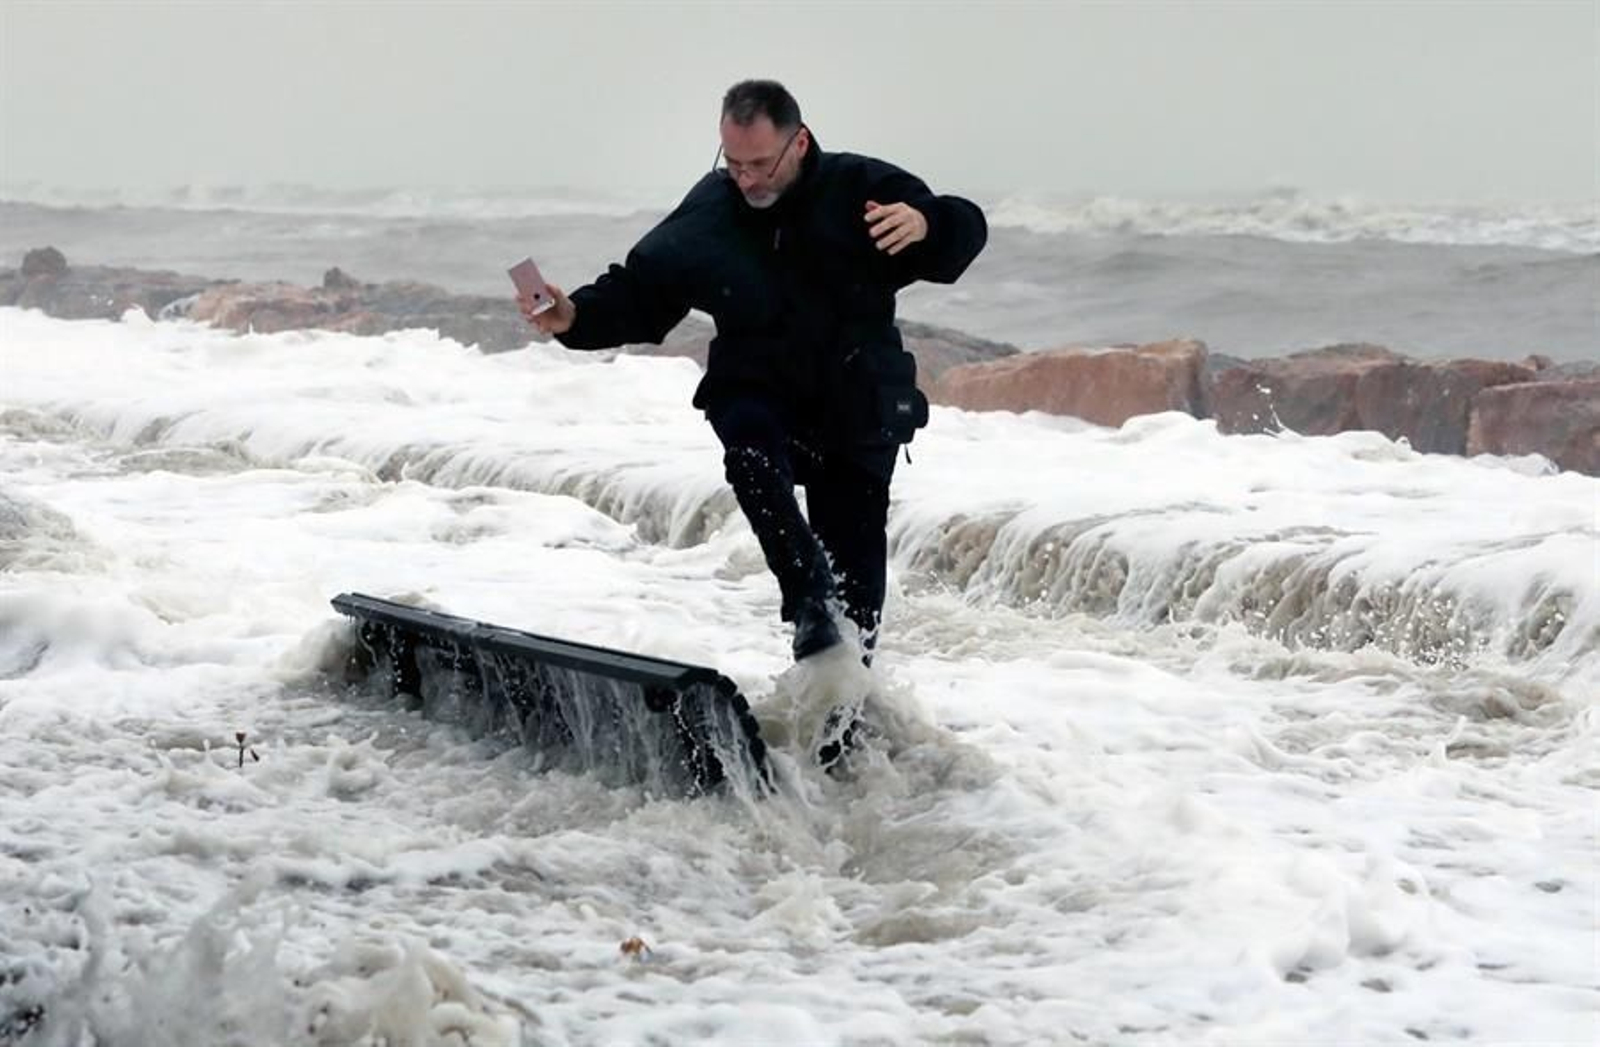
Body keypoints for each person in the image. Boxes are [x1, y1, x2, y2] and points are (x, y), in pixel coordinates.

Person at [521, 79, 987, 664]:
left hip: (854, 403)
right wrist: (574, 316)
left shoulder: (858, 187)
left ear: (800, 142)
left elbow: (965, 225)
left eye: (761, 164)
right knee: (752, 458)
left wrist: (928, 224)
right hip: (759, 390)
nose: (747, 180)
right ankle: (807, 600)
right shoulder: (713, 208)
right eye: (734, 164)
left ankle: (841, 705)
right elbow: (642, 290)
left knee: (856, 612)